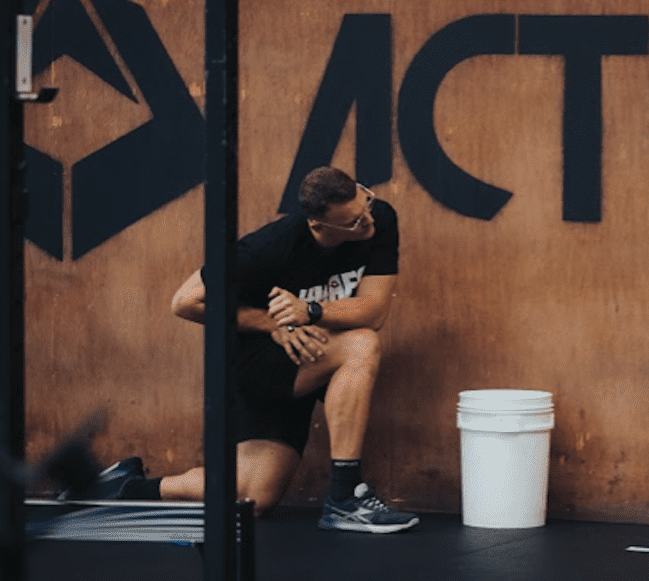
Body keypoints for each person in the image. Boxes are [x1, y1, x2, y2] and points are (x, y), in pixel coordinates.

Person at [74, 166, 418, 533]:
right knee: (361, 344)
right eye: (352, 222)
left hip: (314, 354)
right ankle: (345, 496)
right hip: (260, 366)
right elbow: (185, 302)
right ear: (319, 226)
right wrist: (272, 323)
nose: (366, 222)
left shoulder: (378, 219)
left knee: (252, 497)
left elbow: (375, 309)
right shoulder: (270, 246)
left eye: (365, 204)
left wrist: (309, 311)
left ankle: (124, 487)